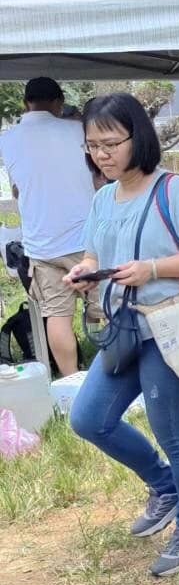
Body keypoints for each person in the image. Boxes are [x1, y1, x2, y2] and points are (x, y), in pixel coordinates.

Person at [66, 92, 179, 577]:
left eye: (111, 143)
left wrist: (152, 268)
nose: (102, 154)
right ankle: (165, 486)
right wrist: (85, 271)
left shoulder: (174, 190)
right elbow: (95, 254)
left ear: (138, 137)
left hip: (170, 328)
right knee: (88, 419)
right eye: (93, 145)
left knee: (173, 432)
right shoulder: (103, 198)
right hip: (123, 328)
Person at [0, 77, 99, 376]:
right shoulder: (78, 130)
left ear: (24, 103)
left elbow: (18, 190)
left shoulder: (8, 139)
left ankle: (70, 378)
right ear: (58, 102)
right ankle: (119, 371)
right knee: (110, 308)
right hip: (87, 240)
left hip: (42, 245)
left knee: (57, 315)